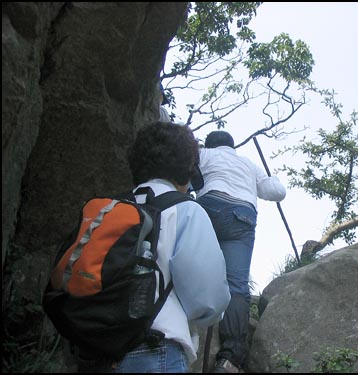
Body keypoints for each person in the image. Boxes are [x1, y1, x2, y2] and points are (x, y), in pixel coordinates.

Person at [77, 122, 231, 373]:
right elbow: (208, 300)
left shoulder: (109, 211)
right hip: (154, 349)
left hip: (93, 350)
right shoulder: (186, 210)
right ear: (186, 170)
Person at [195, 131, 286, 373]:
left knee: (193, 266)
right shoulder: (247, 163)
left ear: (210, 144)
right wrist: (271, 176)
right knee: (236, 284)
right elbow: (277, 192)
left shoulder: (203, 154)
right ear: (232, 146)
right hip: (242, 215)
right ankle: (230, 359)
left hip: (209, 207)